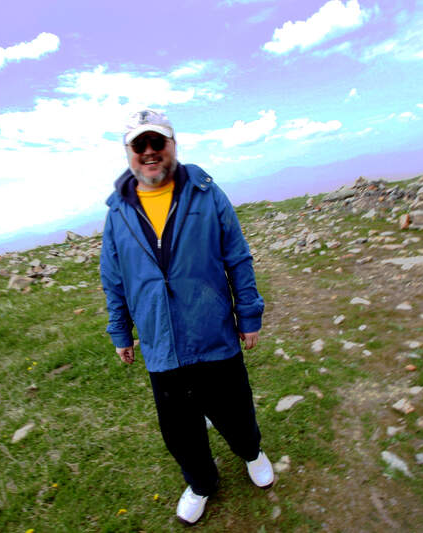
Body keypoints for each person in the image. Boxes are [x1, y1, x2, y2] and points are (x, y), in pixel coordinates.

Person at [100, 109, 272, 525]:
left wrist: (248, 314)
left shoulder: (206, 192)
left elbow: (237, 257)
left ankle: (251, 453)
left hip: (213, 332)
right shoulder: (117, 212)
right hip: (161, 343)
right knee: (179, 429)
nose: (149, 152)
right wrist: (121, 331)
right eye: (139, 144)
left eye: (157, 141)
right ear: (129, 152)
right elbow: (113, 278)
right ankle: (201, 483)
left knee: (234, 410)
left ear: (172, 145)